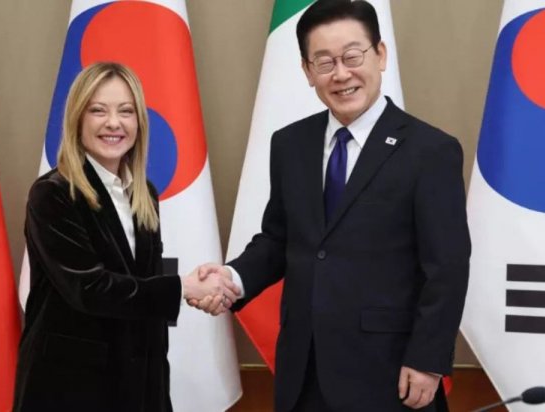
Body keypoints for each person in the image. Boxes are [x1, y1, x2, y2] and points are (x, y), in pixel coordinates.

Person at [191, 1, 471, 411]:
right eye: (324, 62)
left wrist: (427, 359)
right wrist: (231, 277)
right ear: (308, 71)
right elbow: (279, 240)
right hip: (303, 369)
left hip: (390, 372)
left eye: (352, 56)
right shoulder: (290, 144)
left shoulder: (430, 151)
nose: (341, 74)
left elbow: (447, 267)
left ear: (380, 55)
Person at [13, 62, 239, 411]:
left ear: (139, 122)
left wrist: (197, 285)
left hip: (139, 387)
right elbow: (90, 290)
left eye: (126, 111)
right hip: (70, 391)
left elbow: (141, 287)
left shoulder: (144, 194)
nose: (113, 123)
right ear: (77, 119)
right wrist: (183, 288)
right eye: (98, 110)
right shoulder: (53, 194)